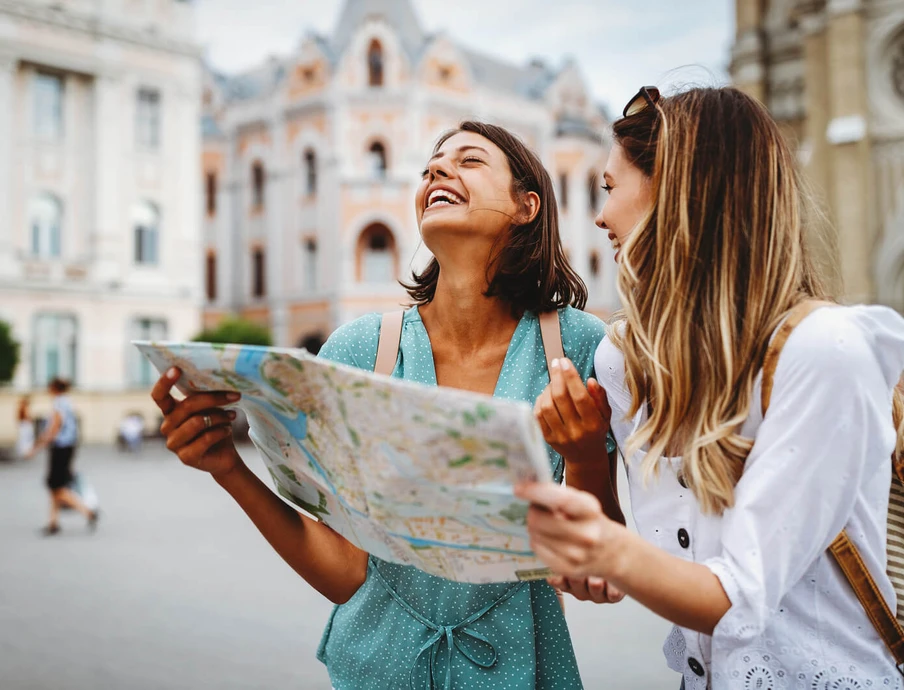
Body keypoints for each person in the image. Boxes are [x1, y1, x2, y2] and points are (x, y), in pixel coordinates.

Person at [151, 121, 618, 689]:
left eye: (469, 161)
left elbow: (598, 564)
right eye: (430, 168)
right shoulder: (360, 348)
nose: (437, 171)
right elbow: (347, 573)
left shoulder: (577, 346)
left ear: (527, 205)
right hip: (374, 671)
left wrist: (589, 457)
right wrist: (229, 468)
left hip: (522, 672)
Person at [517, 86, 904, 687]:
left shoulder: (822, 350)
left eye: (610, 188)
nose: (599, 216)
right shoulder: (625, 359)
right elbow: (627, 572)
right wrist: (585, 459)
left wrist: (598, 546)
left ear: (677, 191)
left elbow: (738, 598)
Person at [28, 378, 99, 535]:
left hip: (61, 448)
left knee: (57, 487)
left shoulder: (59, 403)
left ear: (53, 388)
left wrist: (36, 447)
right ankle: (53, 522)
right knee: (55, 486)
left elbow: (54, 428)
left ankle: (88, 512)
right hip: (67, 447)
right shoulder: (67, 401)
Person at [15, 395, 34, 459]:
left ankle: (25, 452)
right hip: (25, 425)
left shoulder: (20, 409)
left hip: (23, 425)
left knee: (24, 439)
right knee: (26, 439)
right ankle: (26, 453)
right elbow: (27, 417)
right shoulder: (24, 408)